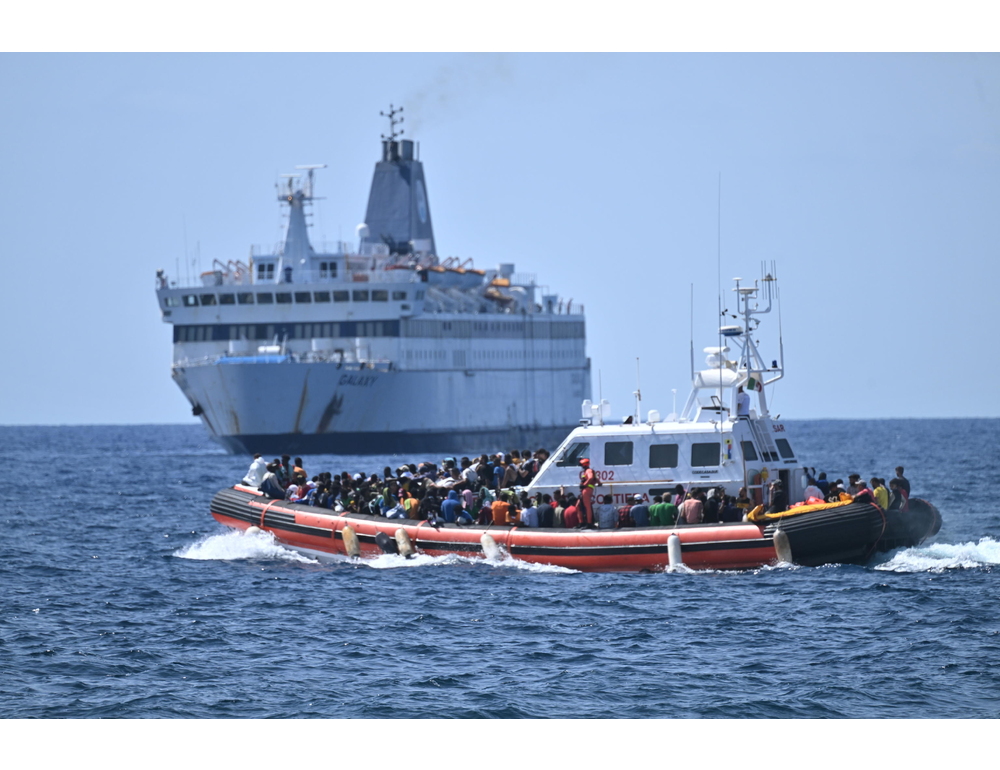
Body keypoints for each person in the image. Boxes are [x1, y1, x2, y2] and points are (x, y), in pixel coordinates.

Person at [579, 458, 598, 526]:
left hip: (586, 490)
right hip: (586, 490)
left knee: (587, 507)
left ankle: (589, 523)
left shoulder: (588, 470)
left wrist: (584, 485)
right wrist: (599, 484)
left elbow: (591, 478)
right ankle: (582, 522)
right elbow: (596, 479)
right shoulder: (589, 471)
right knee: (578, 506)